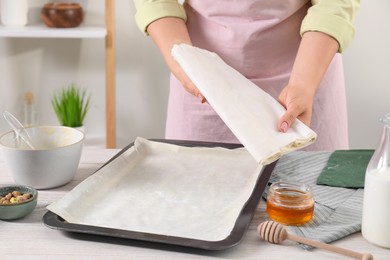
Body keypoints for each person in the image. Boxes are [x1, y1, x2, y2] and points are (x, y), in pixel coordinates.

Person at [133, 0, 360, 151]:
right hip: (202, 78)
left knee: (309, 207)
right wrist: (184, 60)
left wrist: (303, 84)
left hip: (304, 74)